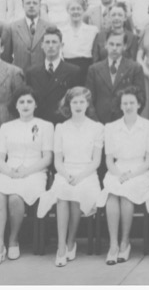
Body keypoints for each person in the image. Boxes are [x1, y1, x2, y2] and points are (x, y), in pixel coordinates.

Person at [0, 86, 54, 266]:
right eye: (21, 102)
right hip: (10, 170)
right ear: (15, 105)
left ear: (36, 104)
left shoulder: (46, 126)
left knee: (15, 198)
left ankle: (13, 239)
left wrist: (27, 171)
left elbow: (47, 158)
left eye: (29, 101)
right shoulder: (6, 127)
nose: (25, 105)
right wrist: (9, 172)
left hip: (35, 172)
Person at [36, 87, 103, 267]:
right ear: (68, 105)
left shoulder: (97, 128)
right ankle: (61, 247)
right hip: (65, 172)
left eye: (82, 102)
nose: (78, 105)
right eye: (74, 102)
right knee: (63, 192)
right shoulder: (61, 128)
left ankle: (71, 241)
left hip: (87, 174)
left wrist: (80, 176)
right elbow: (58, 161)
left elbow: (96, 161)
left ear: (88, 104)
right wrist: (66, 175)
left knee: (76, 193)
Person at [97, 86, 149, 265]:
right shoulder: (111, 127)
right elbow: (109, 160)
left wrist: (131, 175)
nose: (128, 106)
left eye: (132, 102)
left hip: (140, 172)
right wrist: (119, 174)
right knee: (112, 195)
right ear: (120, 106)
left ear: (139, 104)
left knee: (126, 194)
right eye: (125, 103)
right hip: (117, 169)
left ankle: (125, 242)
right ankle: (113, 244)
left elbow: (148, 161)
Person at [86, 31, 145, 124]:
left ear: (124, 46)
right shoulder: (94, 69)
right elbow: (89, 100)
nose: (114, 48)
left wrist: (129, 119)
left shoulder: (135, 68)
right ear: (105, 45)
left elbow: (141, 99)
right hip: (100, 122)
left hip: (125, 122)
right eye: (111, 44)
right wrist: (96, 122)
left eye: (118, 45)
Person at [25, 28, 81, 124]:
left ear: (61, 45)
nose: (50, 46)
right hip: (39, 123)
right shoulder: (32, 72)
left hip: (63, 123)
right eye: (47, 42)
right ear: (42, 45)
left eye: (54, 42)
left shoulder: (73, 71)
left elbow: (77, 100)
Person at [58, 0, 98, 84]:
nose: (75, 12)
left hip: (87, 66)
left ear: (84, 10)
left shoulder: (93, 30)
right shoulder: (61, 30)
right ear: (68, 11)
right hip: (67, 66)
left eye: (78, 9)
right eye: (72, 9)